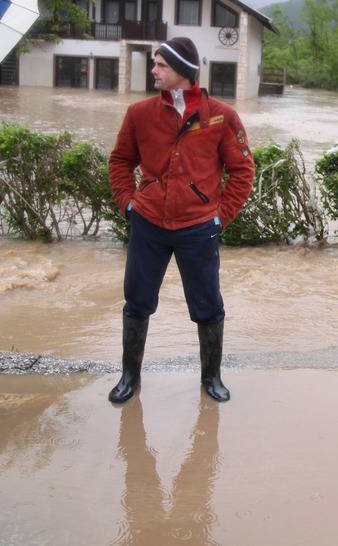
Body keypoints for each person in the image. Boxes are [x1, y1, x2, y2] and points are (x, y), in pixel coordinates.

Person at [108, 37, 255, 403]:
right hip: (148, 223)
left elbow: (243, 170)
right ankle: (129, 376)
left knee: (207, 304)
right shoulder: (139, 113)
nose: (153, 70)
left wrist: (221, 216)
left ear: (183, 72)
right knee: (137, 300)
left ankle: (211, 378)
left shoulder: (221, 116)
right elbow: (120, 161)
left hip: (198, 227)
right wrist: (128, 203)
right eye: (154, 64)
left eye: (161, 65)